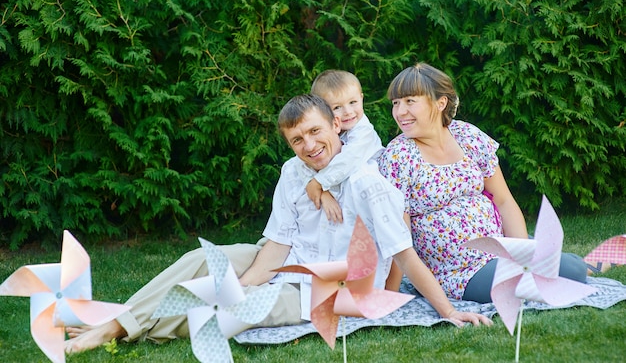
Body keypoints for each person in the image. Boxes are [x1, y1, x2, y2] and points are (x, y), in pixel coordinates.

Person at [65, 94, 491, 355]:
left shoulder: (367, 182)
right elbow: (278, 243)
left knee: (235, 307)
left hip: (333, 290)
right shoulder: (292, 172)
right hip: (288, 261)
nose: (309, 146)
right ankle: (116, 318)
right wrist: (250, 279)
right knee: (203, 260)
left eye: (314, 132)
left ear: (336, 124)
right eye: (297, 140)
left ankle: (117, 327)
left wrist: (450, 312)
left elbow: (404, 253)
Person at [377, 62, 589, 303]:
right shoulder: (398, 157)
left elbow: (504, 200)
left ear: (440, 102)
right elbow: (399, 238)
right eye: (396, 103)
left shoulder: (467, 136)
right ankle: (563, 263)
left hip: (500, 250)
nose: (400, 112)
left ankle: (554, 259)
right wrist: (389, 295)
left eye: (409, 101)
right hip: (457, 272)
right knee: (553, 276)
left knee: (571, 270)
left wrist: (519, 252)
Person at [302, 69, 384, 224]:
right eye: (337, 107)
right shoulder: (326, 132)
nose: (348, 112)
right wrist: (320, 189)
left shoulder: (363, 132)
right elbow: (304, 161)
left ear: (361, 98)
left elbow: (347, 160)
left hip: (373, 194)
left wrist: (319, 182)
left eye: (353, 102)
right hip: (340, 192)